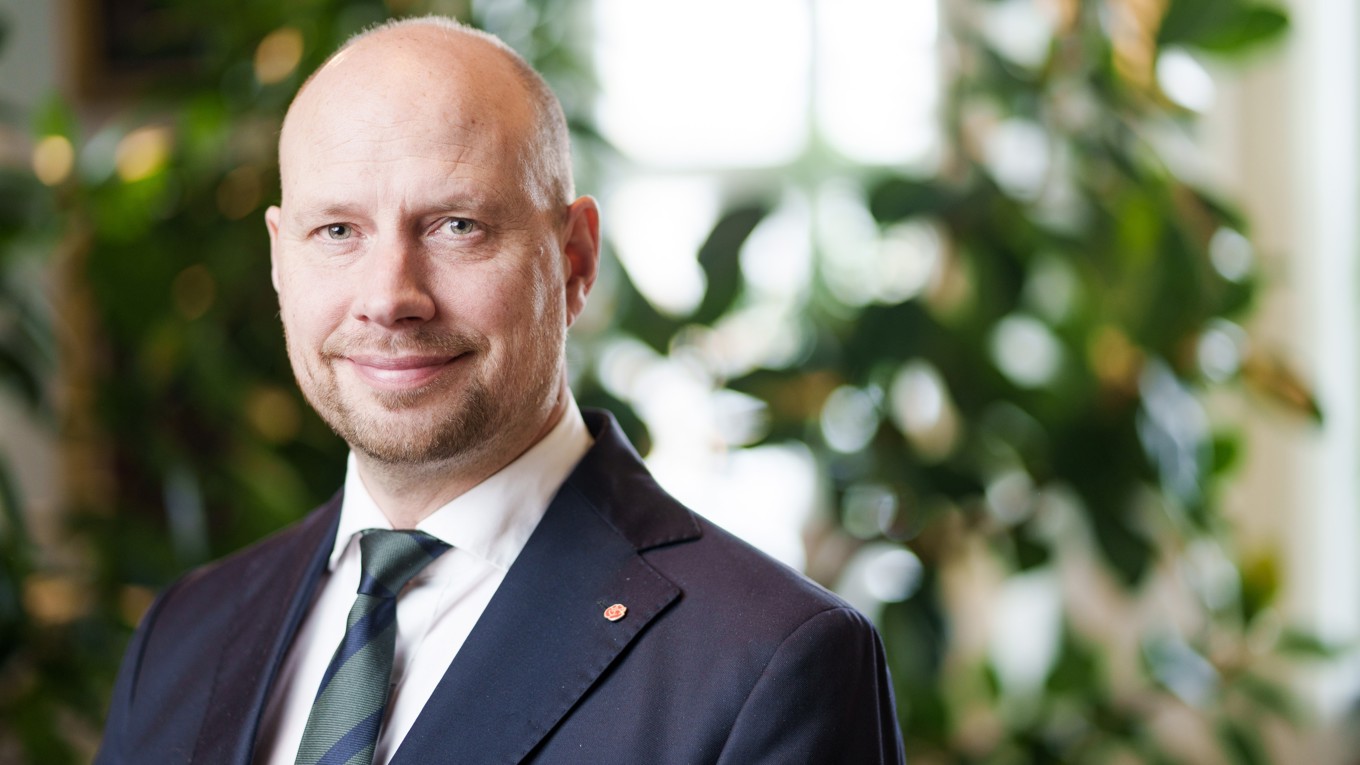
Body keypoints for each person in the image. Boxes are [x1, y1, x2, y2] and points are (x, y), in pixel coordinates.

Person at [96, 16, 903, 765]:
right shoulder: (183, 634)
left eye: (457, 226)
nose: (390, 297)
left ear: (575, 259)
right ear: (281, 260)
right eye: (337, 231)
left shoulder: (767, 661)